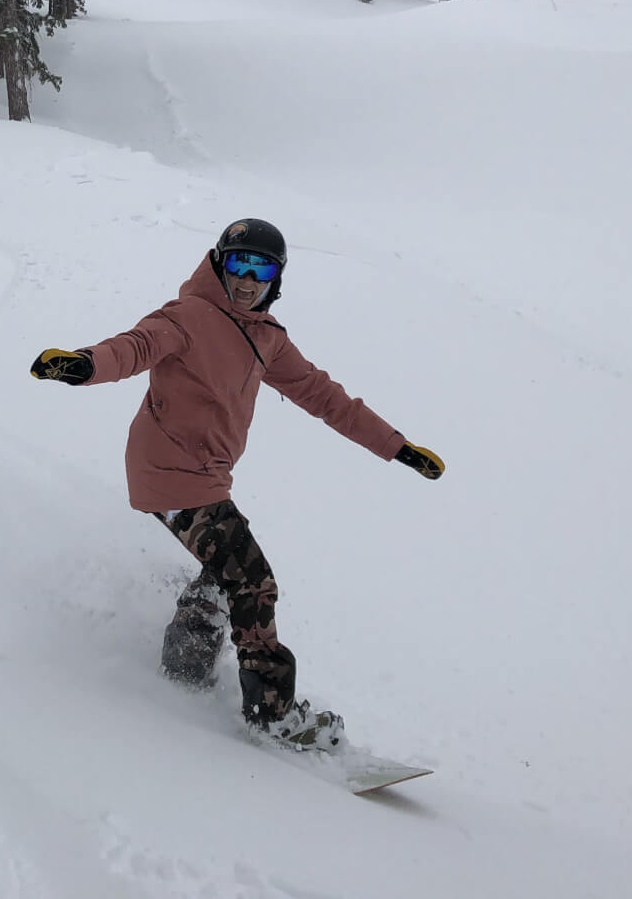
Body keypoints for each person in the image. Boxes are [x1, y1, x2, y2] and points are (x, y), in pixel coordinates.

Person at [30, 218, 444, 753]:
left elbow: (326, 398)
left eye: (262, 269)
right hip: (172, 473)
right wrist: (84, 365)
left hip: (204, 476)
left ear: (277, 278)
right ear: (219, 264)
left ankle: (185, 667)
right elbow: (133, 347)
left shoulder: (266, 338)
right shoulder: (187, 317)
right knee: (253, 582)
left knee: (224, 574)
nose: (248, 279)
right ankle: (272, 714)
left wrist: (396, 446)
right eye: (239, 265)